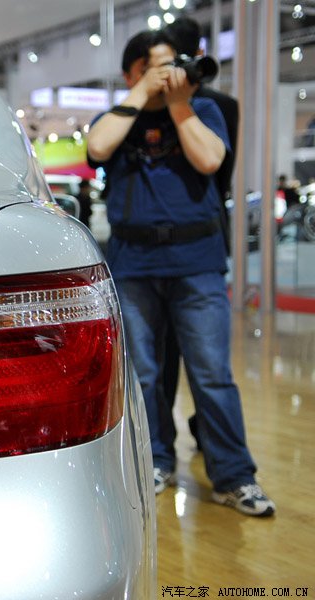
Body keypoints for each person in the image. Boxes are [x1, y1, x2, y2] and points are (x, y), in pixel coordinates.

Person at [87, 30, 275, 516]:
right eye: (157, 65)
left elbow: (209, 159)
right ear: (132, 72)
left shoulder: (202, 110)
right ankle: (155, 460)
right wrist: (141, 94)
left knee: (212, 374)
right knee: (145, 375)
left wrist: (177, 104)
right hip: (134, 265)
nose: (171, 72)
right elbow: (99, 147)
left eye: (174, 63)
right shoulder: (117, 116)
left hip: (197, 263)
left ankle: (234, 476)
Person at [164, 17, 241, 450]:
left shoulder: (194, 105)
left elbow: (217, 165)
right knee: (210, 359)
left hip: (190, 239)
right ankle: (207, 435)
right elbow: (222, 178)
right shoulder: (223, 104)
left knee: (164, 356)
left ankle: (163, 449)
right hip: (207, 229)